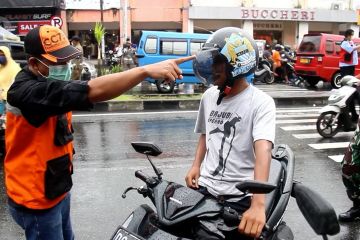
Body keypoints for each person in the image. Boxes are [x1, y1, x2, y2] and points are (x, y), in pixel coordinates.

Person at [4, 25, 194, 240]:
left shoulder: (48, 84)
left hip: (55, 188)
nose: (65, 67)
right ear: (33, 63)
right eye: (58, 63)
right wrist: (144, 71)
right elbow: (92, 90)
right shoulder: (28, 92)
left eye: (66, 61)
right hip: (35, 197)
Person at [186, 27, 276, 239]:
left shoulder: (261, 103)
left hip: (239, 195)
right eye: (212, 62)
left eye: (218, 63)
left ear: (238, 63)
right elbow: (205, 134)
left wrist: (258, 204)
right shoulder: (209, 96)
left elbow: (264, 150)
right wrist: (196, 165)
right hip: (206, 188)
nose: (212, 69)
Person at [340, 29, 360, 122]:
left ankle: (354, 114)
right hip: (345, 66)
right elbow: (351, 49)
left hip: (351, 65)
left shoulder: (350, 42)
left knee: (351, 88)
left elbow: (355, 50)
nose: (352, 36)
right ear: (347, 35)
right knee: (347, 88)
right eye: (351, 35)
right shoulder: (344, 43)